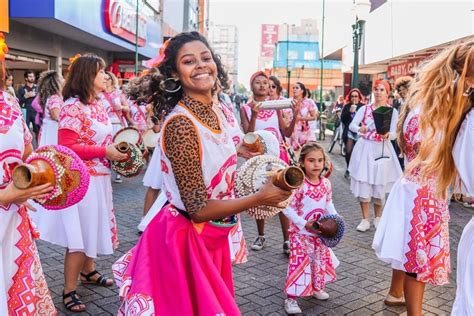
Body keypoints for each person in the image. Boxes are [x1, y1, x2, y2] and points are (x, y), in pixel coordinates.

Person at [112, 32, 292, 315]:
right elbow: (197, 208)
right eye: (188, 61)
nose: (200, 65)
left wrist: (241, 151)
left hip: (213, 234)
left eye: (205, 58)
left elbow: (217, 147)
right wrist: (260, 197)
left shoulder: (218, 110)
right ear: (174, 72)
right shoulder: (181, 125)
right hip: (185, 241)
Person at [373, 41, 473, 316]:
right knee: (417, 262)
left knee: (411, 254)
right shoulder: (428, 113)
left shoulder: (432, 109)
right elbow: (426, 153)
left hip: (426, 193)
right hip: (421, 194)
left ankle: (396, 296)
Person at [31, 54, 127, 312]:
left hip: (101, 179)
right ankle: (68, 289)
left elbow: (100, 139)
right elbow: (67, 146)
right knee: (79, 237)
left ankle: (89, 271)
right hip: (82, 182)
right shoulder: (72, 106)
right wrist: (104, 152)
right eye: (101, 72)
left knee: (93, 228)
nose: (106, 76)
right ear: (87, 76)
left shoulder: (98, 104)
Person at [0, 74, 56, 314]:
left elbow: (26, 149)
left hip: (12, 221)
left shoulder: (7, 101)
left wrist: (28, 183)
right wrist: (4, 196)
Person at [240, 71, 300, 253]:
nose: (262, 86)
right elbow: (247, 137)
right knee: (261, 197)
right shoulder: (246, 108)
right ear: (252, 86)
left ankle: (287, 240)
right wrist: (255, 115)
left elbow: (287, 133)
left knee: (283, 196)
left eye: (265, 82)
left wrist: (296, 114)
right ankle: (261, 235)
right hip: (259, 160)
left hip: (278, 158)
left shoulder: (277, 106)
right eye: (257, 82)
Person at [282, 142, 340, 314]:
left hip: (319, 233)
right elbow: (286, 207)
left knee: (317, 261)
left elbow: (328, 202)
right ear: (302, 162)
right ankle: (291, 298)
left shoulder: (326, 183)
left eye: (320, 160)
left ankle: (316, 288)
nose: (316, 164)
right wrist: (302, 223)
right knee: (299, 264)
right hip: (301, 234)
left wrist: (336, 219)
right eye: (311, 160)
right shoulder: (299, 185)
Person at [348, 80, 402, 232]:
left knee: (380, 183)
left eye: (382, 89)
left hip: (382, 149)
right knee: (364, 182)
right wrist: (360, 129)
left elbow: (395, 133)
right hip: (365, 148)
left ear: (387, 93)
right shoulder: (364, 109)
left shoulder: (392, 111)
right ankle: (365, 219)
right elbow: (352, 125)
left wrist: (388, 135)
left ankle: (378, 218)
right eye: (376, 89)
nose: (378, 92)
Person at [340, 88, 364, 179]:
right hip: (349, 132)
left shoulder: (363, 106)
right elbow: (343, 119)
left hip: (359, 131)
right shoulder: (347, 106)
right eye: (352, 96)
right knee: (349, 151)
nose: (354, 98)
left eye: (356, 96)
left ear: (359, 97)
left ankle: (356, 170)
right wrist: (349, 112)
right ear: (350, 97)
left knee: (358, 153)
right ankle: (349, 169)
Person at [36, 70, 64, 147]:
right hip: (52, 131)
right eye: (61, 78)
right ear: (56, 82)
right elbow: (55, 115)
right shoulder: (55, 97)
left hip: (48, 129)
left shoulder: (51, 97)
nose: (64, 80)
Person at [290, 82, 319, 150]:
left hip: (305, 132)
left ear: (302, 90)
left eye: (297, 88)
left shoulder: (309, 102)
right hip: (292, 131)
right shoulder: (289, 102)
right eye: (293, 88)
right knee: (293, 154)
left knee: (306, 151)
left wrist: (300, 118)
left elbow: (314, 117)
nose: (294, 89)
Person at [17, 70, 39, 137]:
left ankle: (39, 147)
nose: (32, 78)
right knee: (25, 131)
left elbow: (42, 100)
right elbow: (18, 102)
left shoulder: (37, 88)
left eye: (33, 76)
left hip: (36, 112)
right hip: (26, 111)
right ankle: (26, 147)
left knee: (38, 131)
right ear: (26, 78)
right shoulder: (22, 89)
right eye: (30, 76)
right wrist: (26, 96)